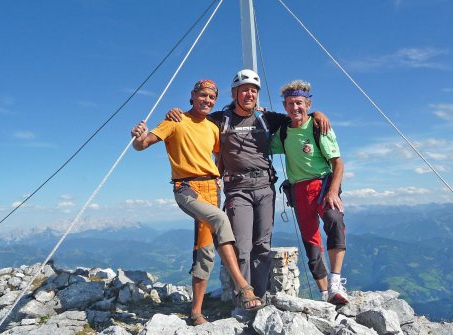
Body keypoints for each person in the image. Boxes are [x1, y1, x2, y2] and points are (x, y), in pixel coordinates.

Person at [166, 70, 330, 299]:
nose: (249, 94)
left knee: (262, 247)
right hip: (238, 189)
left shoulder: (267, 118)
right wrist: (176, 112)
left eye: (253, 90)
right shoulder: (220, 119)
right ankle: (243, 299)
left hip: (265, 188)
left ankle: (259, 298)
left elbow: (297, 117)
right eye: (244, 90)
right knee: (242, 247)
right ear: (235, 93)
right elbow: (195, 117)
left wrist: (317, 113)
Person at [131, 79, 264, 326]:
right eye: (203, 95)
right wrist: (137, 138)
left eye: (211, 98)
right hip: (187, 188)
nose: (207, 101)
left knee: (204, 252)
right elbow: (143, 144)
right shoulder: (175, 120)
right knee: (220, 219)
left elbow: (218, 154)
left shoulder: (213, 127)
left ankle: (195, 313)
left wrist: (221, 176)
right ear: (192, 96)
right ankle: (244, 286)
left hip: (212, 188)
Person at [270, 79, 349, 304]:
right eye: (290, 103)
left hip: (323, 185)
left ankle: (335, 282)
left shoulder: (318, 127)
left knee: (334, 220)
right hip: (299, 190)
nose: (295, 108)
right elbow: (265, 145)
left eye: (300, 103)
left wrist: (333, 192)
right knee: (311, 240)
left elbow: (338, 163)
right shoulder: (283, 132)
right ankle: (325, 293)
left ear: (308, 104)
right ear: (284, 107)